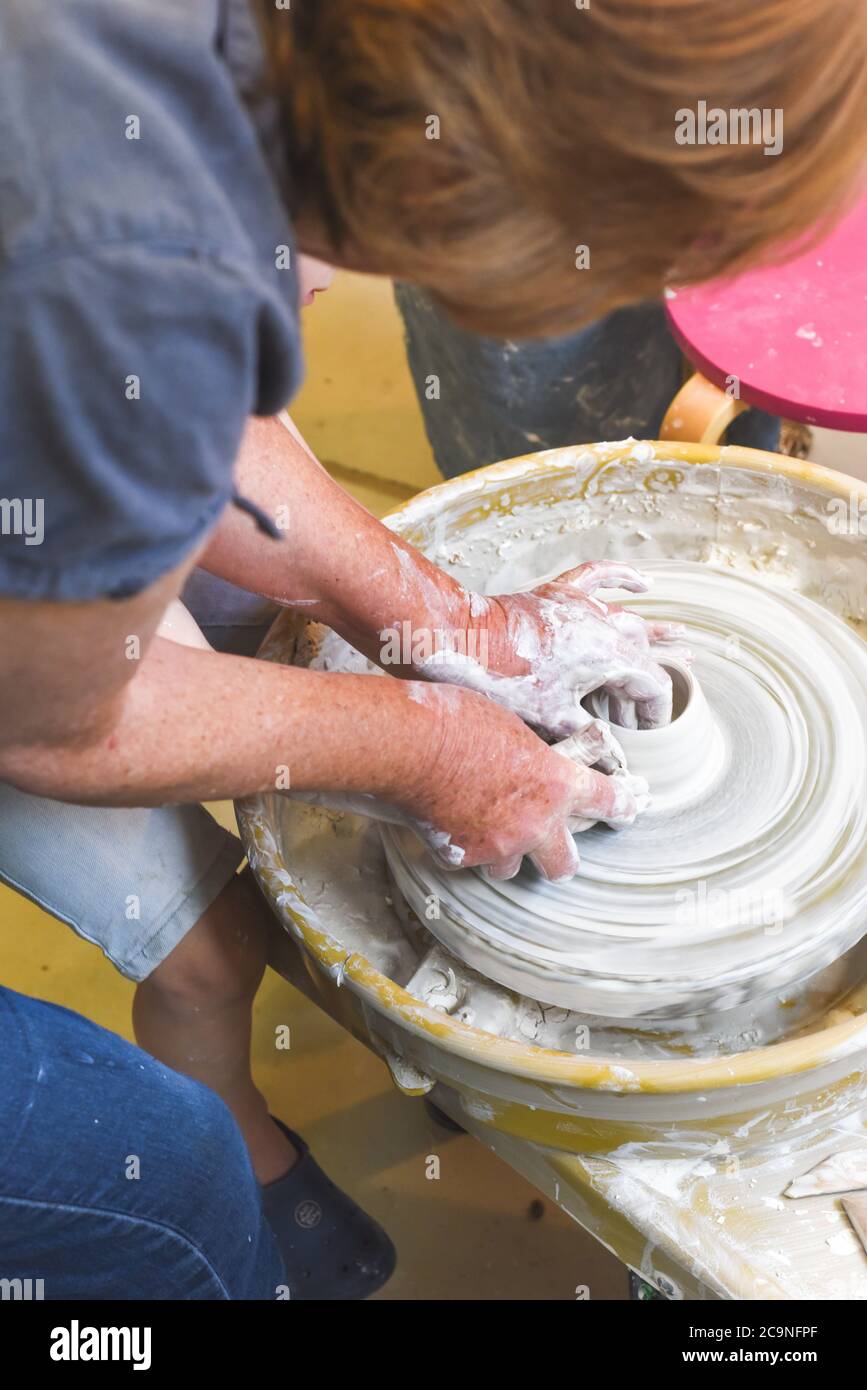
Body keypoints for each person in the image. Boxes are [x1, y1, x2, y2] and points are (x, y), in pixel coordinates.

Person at [1, 0, 865, 1300]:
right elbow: (56, 716)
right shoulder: (131, 262)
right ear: (460, 188)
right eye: (623, 262)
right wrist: (424, 752)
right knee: (159, 1182)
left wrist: (454, 627)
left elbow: (200, 419)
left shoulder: (217, 108)